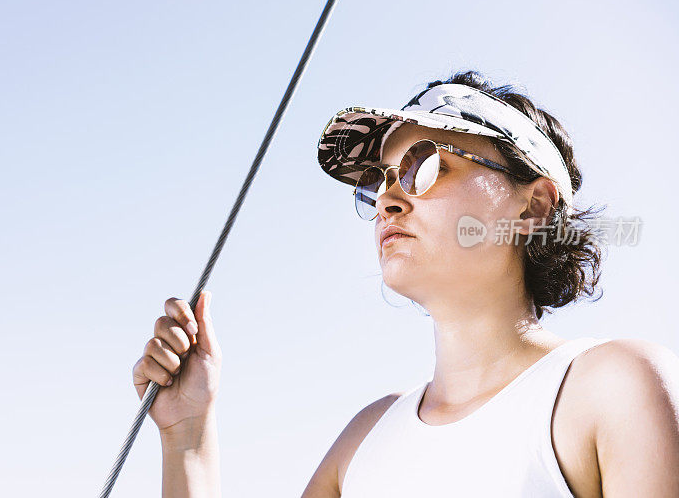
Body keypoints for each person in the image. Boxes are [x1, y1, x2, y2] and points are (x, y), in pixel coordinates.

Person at [131, 71, 679, 497]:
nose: (389, 201)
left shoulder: (614, 388)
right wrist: (187, 435)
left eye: (424, 167)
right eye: (382, 182)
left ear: (532, 206)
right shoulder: (366, 437)